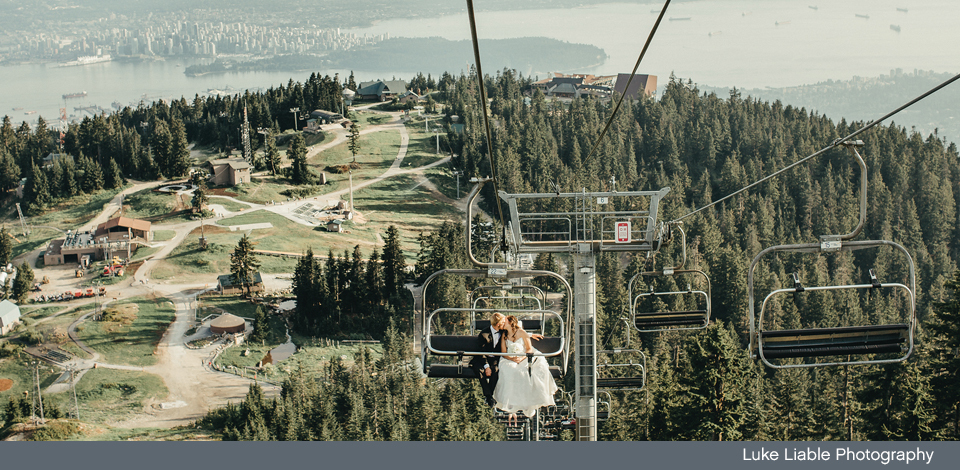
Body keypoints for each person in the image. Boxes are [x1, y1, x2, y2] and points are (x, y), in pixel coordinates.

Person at [493, 315, 559, 425]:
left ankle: (530, 402)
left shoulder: (522, 333)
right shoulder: (504, 335)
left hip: (524, 356)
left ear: (510, 322)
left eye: (505, 322)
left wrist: (521, 357)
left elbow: (528, 349)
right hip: (510, 358)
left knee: (528, 371)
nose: (503, 324)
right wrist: (512, 358)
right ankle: (512, 402)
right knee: (510, 370)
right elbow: (504, 352)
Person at [469, 312, 507, 407]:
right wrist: (486, 367)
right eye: (503, 322)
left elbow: (517, 332)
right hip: (482, 358)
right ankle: (489, 396)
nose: (504, 324)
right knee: (479, 370)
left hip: (494, 359)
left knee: (496, 370)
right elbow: (480, 352)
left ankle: (488, 396)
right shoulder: (484, 334)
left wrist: (530, 335)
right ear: (498, 324)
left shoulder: (504, 332)